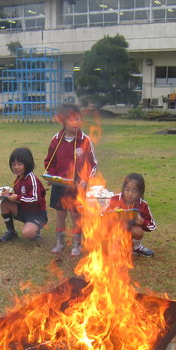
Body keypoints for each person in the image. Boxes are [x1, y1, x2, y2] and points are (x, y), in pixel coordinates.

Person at [44, 103, 97, 256]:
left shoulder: (84, 140)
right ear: (63, 121)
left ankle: (76, 243)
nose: (76, 122)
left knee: (76, 215)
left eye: (78, 119)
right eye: (72, 119)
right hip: (60, 186)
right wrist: (50, 176)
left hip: (77, 187)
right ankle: (60, 242)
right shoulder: (56, 140)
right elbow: (50, 162)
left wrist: (85, 179)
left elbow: (93, 165)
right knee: (60, 214)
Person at [0, 147, 48, 243]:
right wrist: (9, 195)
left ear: (27, 164)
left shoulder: (32, 179)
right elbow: (20, 196)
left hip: (37, 214)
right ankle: (11, 231)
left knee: (27, 234)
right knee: (5, 203)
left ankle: (35, 230)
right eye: (13, 164)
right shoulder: (18, 179)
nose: (16, 167)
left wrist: (17, 197)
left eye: (19, 164)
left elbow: (35, 199)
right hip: (24, 211)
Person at [102, 173, 156, 256]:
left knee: (138, 231)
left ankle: (136, 248)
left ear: (140, 192)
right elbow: (102, 215)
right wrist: (113, 215)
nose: (130, 194)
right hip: (115, 230)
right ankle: (113, 245)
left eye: (134, 191)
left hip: (131, 231)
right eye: (127, 189)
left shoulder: (143, 205)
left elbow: (152, 225)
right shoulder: (115, 199)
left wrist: (142, 222)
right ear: (123, 189)